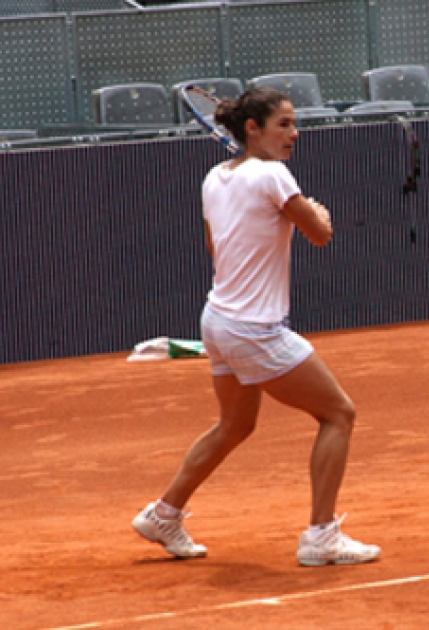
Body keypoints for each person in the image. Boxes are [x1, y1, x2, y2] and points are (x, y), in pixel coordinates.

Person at [132, 87, 380, 567]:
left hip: (217, 321)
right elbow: (321, 234)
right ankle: (321, 536)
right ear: (253, 129)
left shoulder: (214, 178)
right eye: (283, 124)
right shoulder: (272, 175)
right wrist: (316, 211)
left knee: (235, 425)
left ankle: (164, 514)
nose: (294, 133)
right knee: (338, 414)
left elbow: (215, 248)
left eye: (293, 124)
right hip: (254, 328)